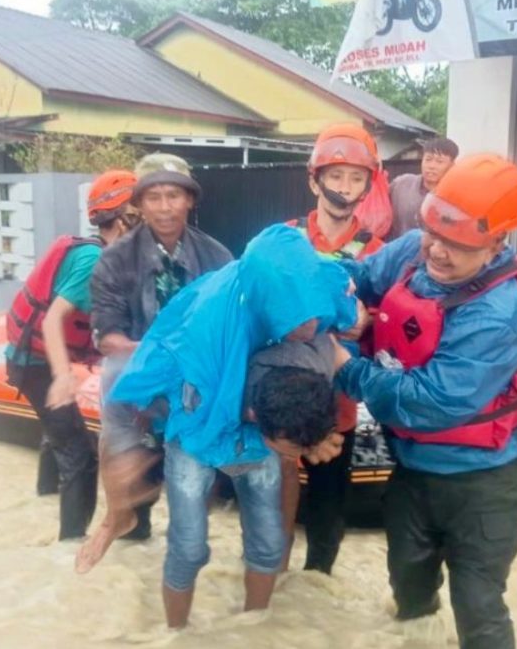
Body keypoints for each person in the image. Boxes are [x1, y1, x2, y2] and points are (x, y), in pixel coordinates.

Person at [332, 154, 517, 649]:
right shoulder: (414, 250)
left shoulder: (496, 314)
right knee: (408, 585)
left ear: (496, 243)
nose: (438, 252)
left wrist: (346, 368)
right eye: (434, 234)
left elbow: (431, 402)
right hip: (412, 467)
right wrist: (346, 308)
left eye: (458, 244)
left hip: (483, 480)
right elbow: (355, 277)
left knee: (479, 606)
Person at [102, 225, 358, 628]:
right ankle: (175, 632)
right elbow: (142, 393)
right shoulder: (209, 331)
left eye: (312, 315)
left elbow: (340, 315)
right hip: (197, 421)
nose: (308, 328)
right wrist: (136, 455)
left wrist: (310, 434)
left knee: (269, 542)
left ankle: (252, 630)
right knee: (188, 547)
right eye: (297, 321)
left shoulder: (314, 298)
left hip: (266, 416)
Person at [81, 153, 233, 553]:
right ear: (139, 204)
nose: (165, 207)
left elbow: (230, 330)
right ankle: (119, 516)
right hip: (138, 376)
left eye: (174, 195)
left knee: (193, 510)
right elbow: (107, 336)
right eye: (154, 197)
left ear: (189, 200)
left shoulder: (218, 258)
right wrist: (161, 356)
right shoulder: (114, 260)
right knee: (114, 381)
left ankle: (188, 545)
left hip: (196, 380)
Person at [4, 169, 141, 540]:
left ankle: (44, 498)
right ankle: (69, 548)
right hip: (36, 364)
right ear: (123, 219)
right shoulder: (93, 261)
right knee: (80, 454)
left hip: (33, 357)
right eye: (139, 213)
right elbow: (53, 320)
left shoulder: (103, 255)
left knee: (58, 432)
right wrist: (64, 377)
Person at [285, 122, 385, 574]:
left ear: (367, 186)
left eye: (356, 178)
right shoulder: (283, 239)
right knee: (269, 500)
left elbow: (386, 325)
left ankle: (317, 587)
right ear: (315, 181)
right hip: (279, 395)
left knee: (327, 509)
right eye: (336, 176)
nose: (345, 187)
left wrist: (367, 323)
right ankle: (266, 587)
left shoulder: (378, 252)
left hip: (338, 403)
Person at [387, 137, 459, 241]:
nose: (431, 166)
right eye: (428, 160)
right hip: (398, 247)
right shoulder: (401, 184)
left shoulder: (457, 196)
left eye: (439, 162)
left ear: (452, 165)